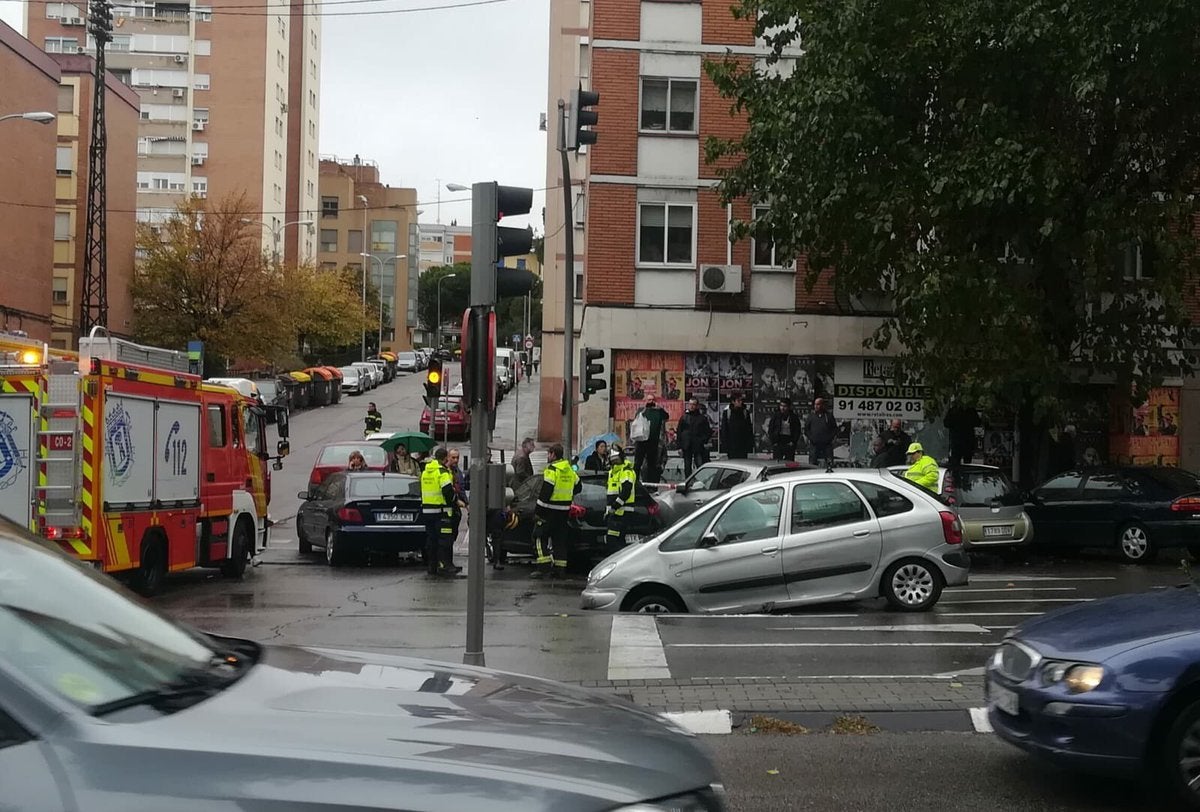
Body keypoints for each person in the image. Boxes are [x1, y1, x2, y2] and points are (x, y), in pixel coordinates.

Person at [533, 443, 580, 577]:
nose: (548, 456)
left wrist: (538, 512)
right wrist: (567, 495)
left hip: (549, 511)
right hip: (564, 512)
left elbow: (545, 493)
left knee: (538, 536)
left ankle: (543, 568)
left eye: (549, 453)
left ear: (553, 454)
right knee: (559, 540)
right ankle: (560, 570)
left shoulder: (552, 470)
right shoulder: (569, 470)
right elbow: (579, 486)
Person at [420, 447, 460, 577]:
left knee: (431, 540)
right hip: (441, 512)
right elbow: (448, 491)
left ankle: (432, 566)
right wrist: (455, 501)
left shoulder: (425, 472)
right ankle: (445, 565)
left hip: (427, 511)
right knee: (445, 540)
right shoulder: (442, 472)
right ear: (445, 458)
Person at [605, 445, 636, 548]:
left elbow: (626, 491)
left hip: (622, 513)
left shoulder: (626, 472)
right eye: (612, 459)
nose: (614, 462)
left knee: (613, 541)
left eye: (616, 459)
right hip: (615, 514)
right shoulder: (612, 473)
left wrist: (615, 506)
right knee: (616, 541)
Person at [633, 397, 668, 483]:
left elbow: (666, 417)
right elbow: (636, 419)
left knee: (652, 464)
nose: (651, 401)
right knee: (638, 463)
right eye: (649, 400)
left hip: (653, 441)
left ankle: (651, 484)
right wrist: (645, 408)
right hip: (641, 441)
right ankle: (635, 481)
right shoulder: (642, 410)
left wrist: (660, 408)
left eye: (652, 400)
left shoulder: (659, 411)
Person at [677, 398, 712, 477]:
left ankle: (701, 481)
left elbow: (708, 432)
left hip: (697, 446)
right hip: (687, 445)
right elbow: (679, 431)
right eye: (690, 404)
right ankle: (687, 482)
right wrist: (679, 446)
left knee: (699, 464)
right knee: (687, 466)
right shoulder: (684, 417)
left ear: (697, 406)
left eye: (693, 404)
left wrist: (702, 440)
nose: (692, 406)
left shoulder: (702, 418)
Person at [944, 400, 980, 467]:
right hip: (961, 441)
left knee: (961, 462)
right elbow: (946, 423)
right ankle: (960, 475)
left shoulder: (969, 411)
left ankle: (960, 475)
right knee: (959, 462)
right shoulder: (955, 411)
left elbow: (977, 422)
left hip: (963, 441)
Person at [804, 397, 838, 466]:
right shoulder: (811, 416)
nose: (816, 406)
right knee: (812, 464)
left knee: (829, 463)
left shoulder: (829, 416)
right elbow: (806, 429)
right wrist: (811, 438)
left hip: (827, 444)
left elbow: (834, 429)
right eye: (815, 404)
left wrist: (829, 438)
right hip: (814, 444)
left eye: (818, 404)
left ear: (822, 405)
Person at [720, 393, 754, 459]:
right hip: (731, 445)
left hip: (743, 445)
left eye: (741, 400)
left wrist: (749, 444)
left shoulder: (745, 412)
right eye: (738, 401)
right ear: (733, 402)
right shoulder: (727, 412)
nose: (740, 402)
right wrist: (725, 445)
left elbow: (749, 429)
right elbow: (724, 429)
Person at [446, 448, 467, 542]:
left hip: (455, 507)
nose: (456, 460)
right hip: (446, 506)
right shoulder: (444, 471)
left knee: (454, 531)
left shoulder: (457, 472)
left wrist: (467, 503)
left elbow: (461, 489)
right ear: (448, 457)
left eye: (457, 458)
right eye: (453, 457)